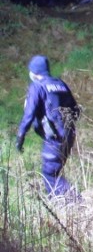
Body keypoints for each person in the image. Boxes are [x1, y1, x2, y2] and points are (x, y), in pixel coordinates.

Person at [16, 55, 82, 199]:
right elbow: (76, 110)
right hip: (69, 135)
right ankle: (63, 206)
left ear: (34, 72)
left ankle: (77, 203)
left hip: (54, 138)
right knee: (54, 172)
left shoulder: (37, 86)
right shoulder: (61, 84)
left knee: (49, 173)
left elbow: (29, 114)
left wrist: (20, 137)